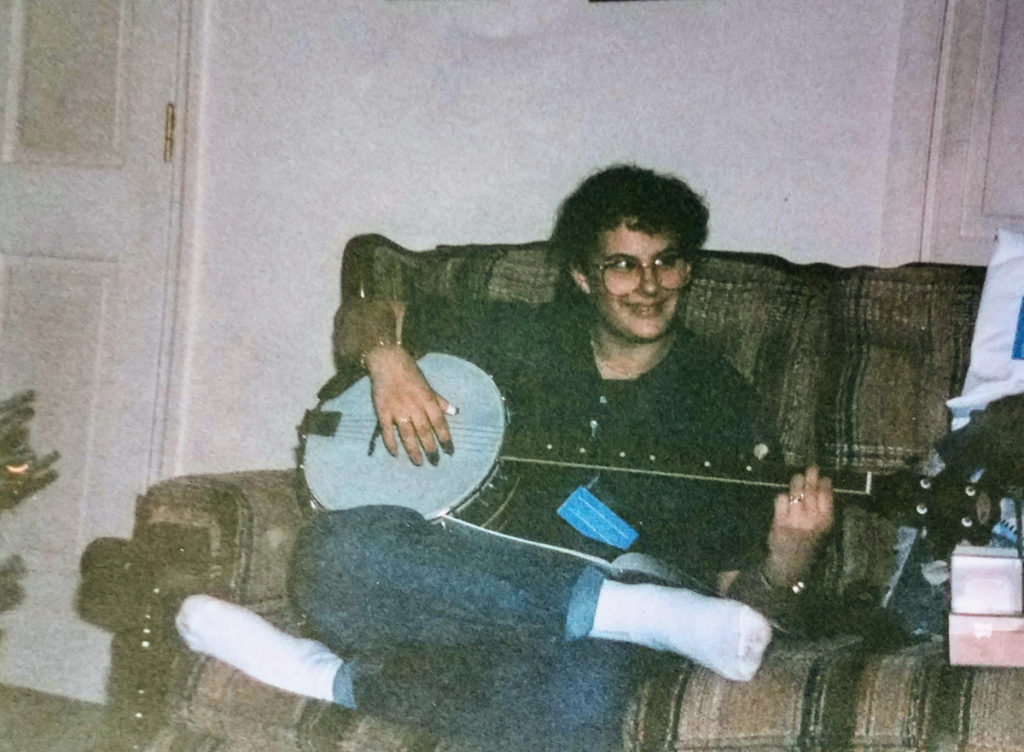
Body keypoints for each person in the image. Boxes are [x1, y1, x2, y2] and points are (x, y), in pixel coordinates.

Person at [176, 165, 834, 751]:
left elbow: (734, 614)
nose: (649, 286)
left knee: (583, 694)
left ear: (688, 269)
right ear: (582, 275)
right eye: (623, 265)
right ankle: (633, 615)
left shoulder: (719, 401)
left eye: (667, 262)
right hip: (467, 583)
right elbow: (365, 312)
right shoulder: (521, 336)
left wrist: (788, 558)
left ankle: (326, 677)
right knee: (332, 554)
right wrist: (387, 361)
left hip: (601, 607)